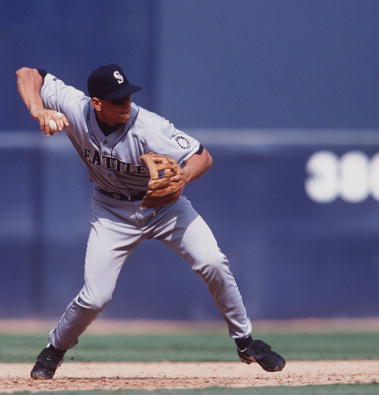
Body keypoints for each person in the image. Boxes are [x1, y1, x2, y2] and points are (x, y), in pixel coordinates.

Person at [16, 64, 286, 379]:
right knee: (95, 297)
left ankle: (245, 341)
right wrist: (38, 109)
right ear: (97, 103)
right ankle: (54, 350)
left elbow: (203, 156)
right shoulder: (75, 107)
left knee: (213, 262)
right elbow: (27, 73)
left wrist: (181, 177)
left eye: (128, 98)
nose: (126, 105)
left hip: (166, 208)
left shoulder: (150, 127)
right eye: (117, 100)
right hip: (112, 211)